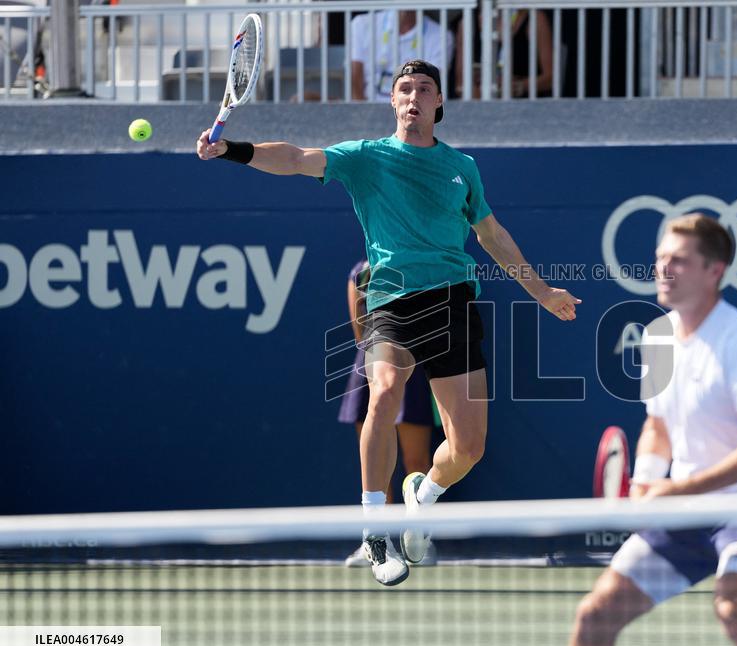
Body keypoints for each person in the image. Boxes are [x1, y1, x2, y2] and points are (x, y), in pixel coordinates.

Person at [196, 59, 581, 587]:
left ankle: (421, 497)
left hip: (451, 302)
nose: (413, 96)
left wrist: (541, 292)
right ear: (393, 102)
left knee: (468, 447)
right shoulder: (365, 158)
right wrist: (234, 150)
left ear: (439, 103)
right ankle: (373, 528)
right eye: (404, 89)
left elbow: (492, 235)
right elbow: (295, 159)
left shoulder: (462, 167)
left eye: (424, 88)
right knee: (384, 393)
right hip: (392, 299)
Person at [565, 213, 737, 646]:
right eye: (660, 258)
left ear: (715, 271)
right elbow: (658, 426)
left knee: (736, 612)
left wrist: (676, 489)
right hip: (686, 513)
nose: (664, 269)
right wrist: (647, 482)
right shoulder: (657, 336)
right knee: (594, 617)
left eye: (680, 260)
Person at [338, 259, 437, 567]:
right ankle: (378, 543)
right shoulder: (360, 273)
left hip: (415, 366)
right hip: (373, 365)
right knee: (376, 463)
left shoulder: (428, 265)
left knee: (417, 462)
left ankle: (420, 540)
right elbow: (362, 334)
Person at [350, 11, 452, 101]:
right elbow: (354, 77)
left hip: (414, 115)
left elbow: (431, 87)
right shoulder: (362, 23)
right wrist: (361, 115)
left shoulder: (441, 35)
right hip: (369, 110)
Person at [453, 8, 554, 98]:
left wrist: (520, 86)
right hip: (479, 106)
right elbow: (460, 82)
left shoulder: (535, 19)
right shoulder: (467, 21)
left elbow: (551, 78)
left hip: (525, 106)